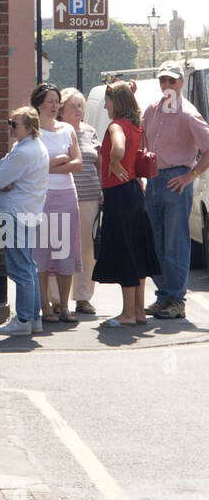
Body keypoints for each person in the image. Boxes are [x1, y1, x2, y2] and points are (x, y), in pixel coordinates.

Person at [142, 60, 209, 320]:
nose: (167, 85)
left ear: (181, 82)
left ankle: (176, 300)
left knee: (175, 243)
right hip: (155, 179)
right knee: (157, 242)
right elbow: (143, 141)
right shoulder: (152, 109)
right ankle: (165, 296)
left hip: (175, 180)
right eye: (163, 80)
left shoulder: (188, 112)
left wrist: (190, 175)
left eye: (172, 80)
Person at [94, 81, 160, 327]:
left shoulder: (117, 125)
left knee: (126, 252)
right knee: (138, 250)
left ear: (117, 103)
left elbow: (118, 145)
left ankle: (127, 314)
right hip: (134, 192)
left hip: (119, 196)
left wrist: (113, 161)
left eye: (107, 101)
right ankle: (139, 312)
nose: (104, 106)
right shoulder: (135, 125)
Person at [0, 106, 49, 335]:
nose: (11, 128)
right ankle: (33, 318)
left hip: (15, 214)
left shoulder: (24, 151)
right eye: (10, 123)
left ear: (30, 127)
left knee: (20, 269)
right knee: (29, 267)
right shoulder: (34, 147)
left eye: (15, 124)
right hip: (30, 212)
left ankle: (23, 320)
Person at [29, 82, 81, 322]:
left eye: (56, 101)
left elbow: (78, 163)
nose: (53, 106)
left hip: (67, 195)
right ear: (38, 104)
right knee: (40, 252)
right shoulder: (32, 132)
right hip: (41, 197)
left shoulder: (68, 130)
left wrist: (53, 166)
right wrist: (58, 161)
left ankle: (64, 307)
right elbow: (31, 168)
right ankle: (44, 306)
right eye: (49, 101)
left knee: (65, 251)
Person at [57, 88, 102, 315]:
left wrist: (102, 188)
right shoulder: (58, 132)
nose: (78, 110)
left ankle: (83, 298)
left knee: (87, 250)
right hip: (63, 197)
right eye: (73, 106)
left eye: (80, 106)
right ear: (61, 111)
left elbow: (98, 161)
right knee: (62, 247)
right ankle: (57, 299)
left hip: (89, 197)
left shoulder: (90, 131)